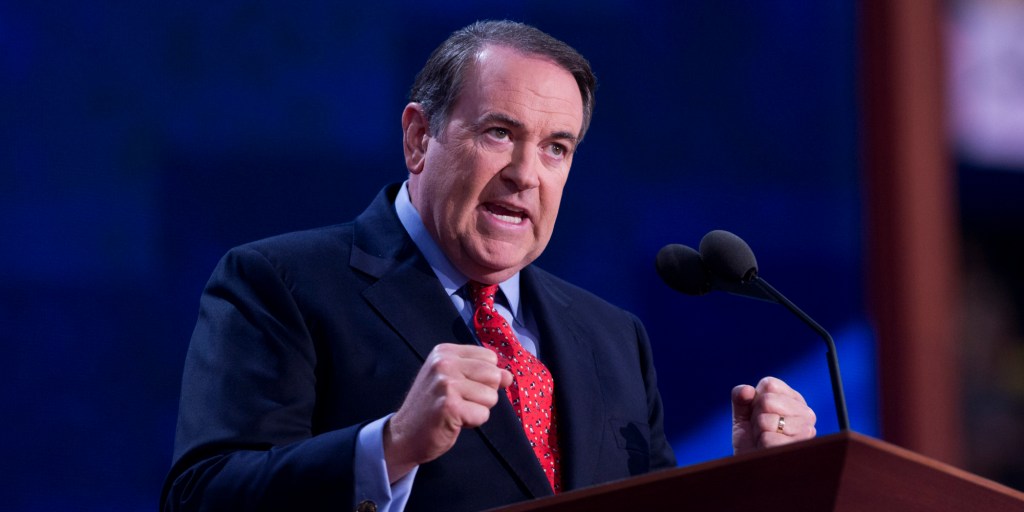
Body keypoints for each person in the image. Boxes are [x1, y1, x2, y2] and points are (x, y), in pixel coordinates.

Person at [162, 20, 817, 512]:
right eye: (499, 133)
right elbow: (202, 497)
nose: (525, 175)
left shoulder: (612, 337)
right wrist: (389, 447)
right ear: (420, 137)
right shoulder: (281, 283)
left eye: (556, 148)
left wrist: (752, 485)